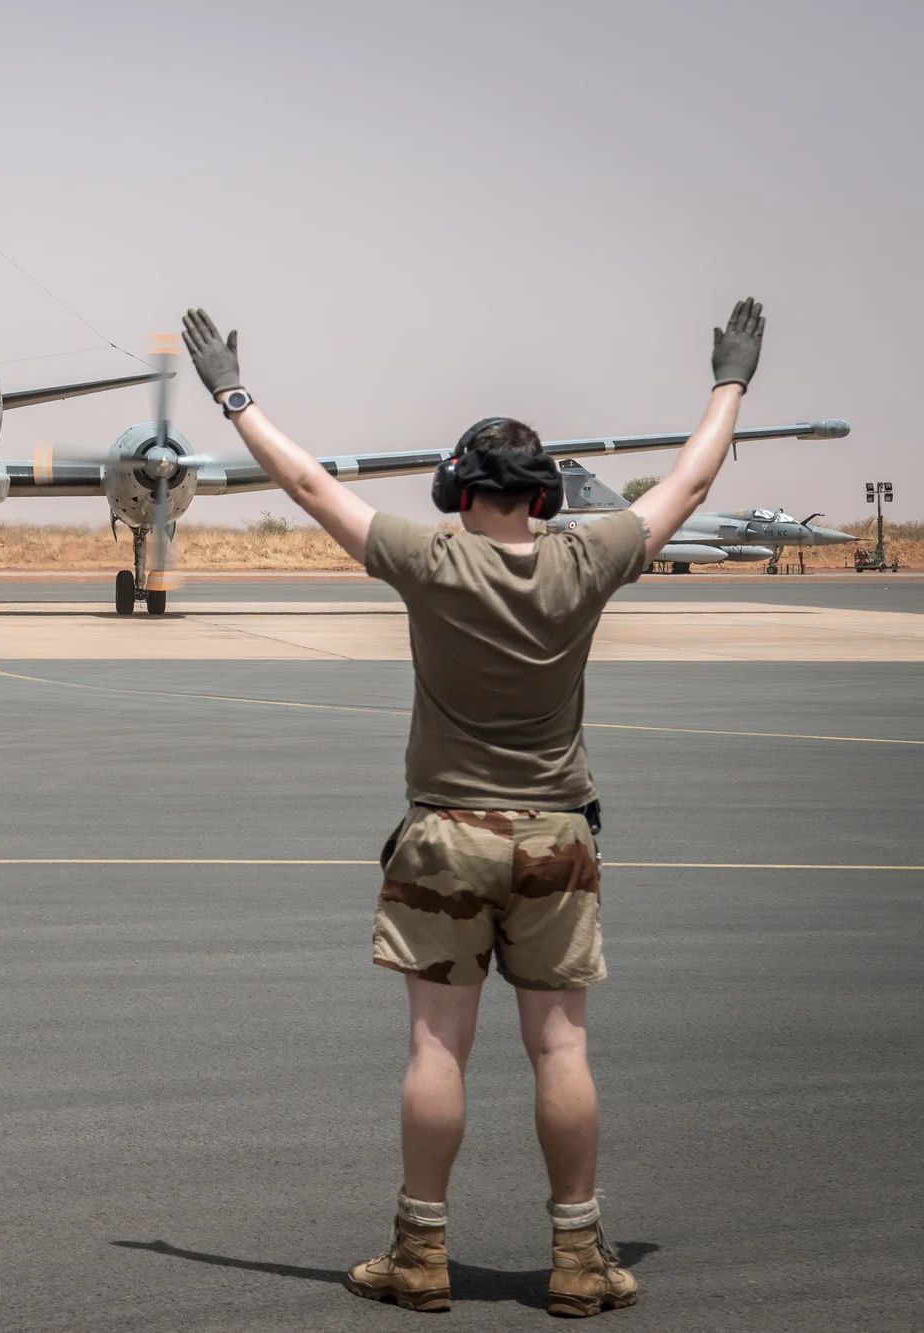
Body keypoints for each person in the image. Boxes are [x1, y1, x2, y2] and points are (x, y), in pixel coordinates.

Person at [180, 299, 766, 1317]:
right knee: (561, 1046)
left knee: (435, 1047)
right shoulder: (586, 561)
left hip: (443, 839)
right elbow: (690, 479)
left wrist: (232, 395)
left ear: (455, 489)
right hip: (555, 840)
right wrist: (729, 383)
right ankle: (579, 1257)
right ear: (542, 493)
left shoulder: (430, 561)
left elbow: (309, 484)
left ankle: (419, 1253)